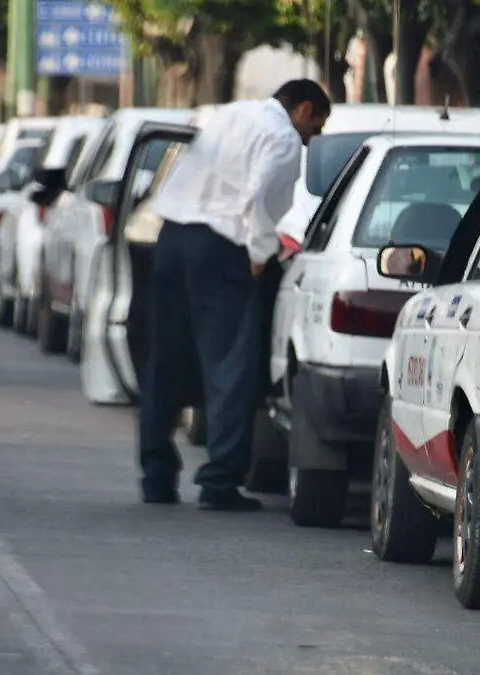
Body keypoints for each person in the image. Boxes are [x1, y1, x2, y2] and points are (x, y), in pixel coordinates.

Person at [139, 79, 331, 511]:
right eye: (315, 126)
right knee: (231, 366)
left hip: (172, 240)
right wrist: (261, 255)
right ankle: (220, 480)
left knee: (165, 362)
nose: (312, 138)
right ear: (302, 109)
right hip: (221, 248)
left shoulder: (230, 113)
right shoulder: (283, 139)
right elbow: (258, 201)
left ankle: (156, 477)